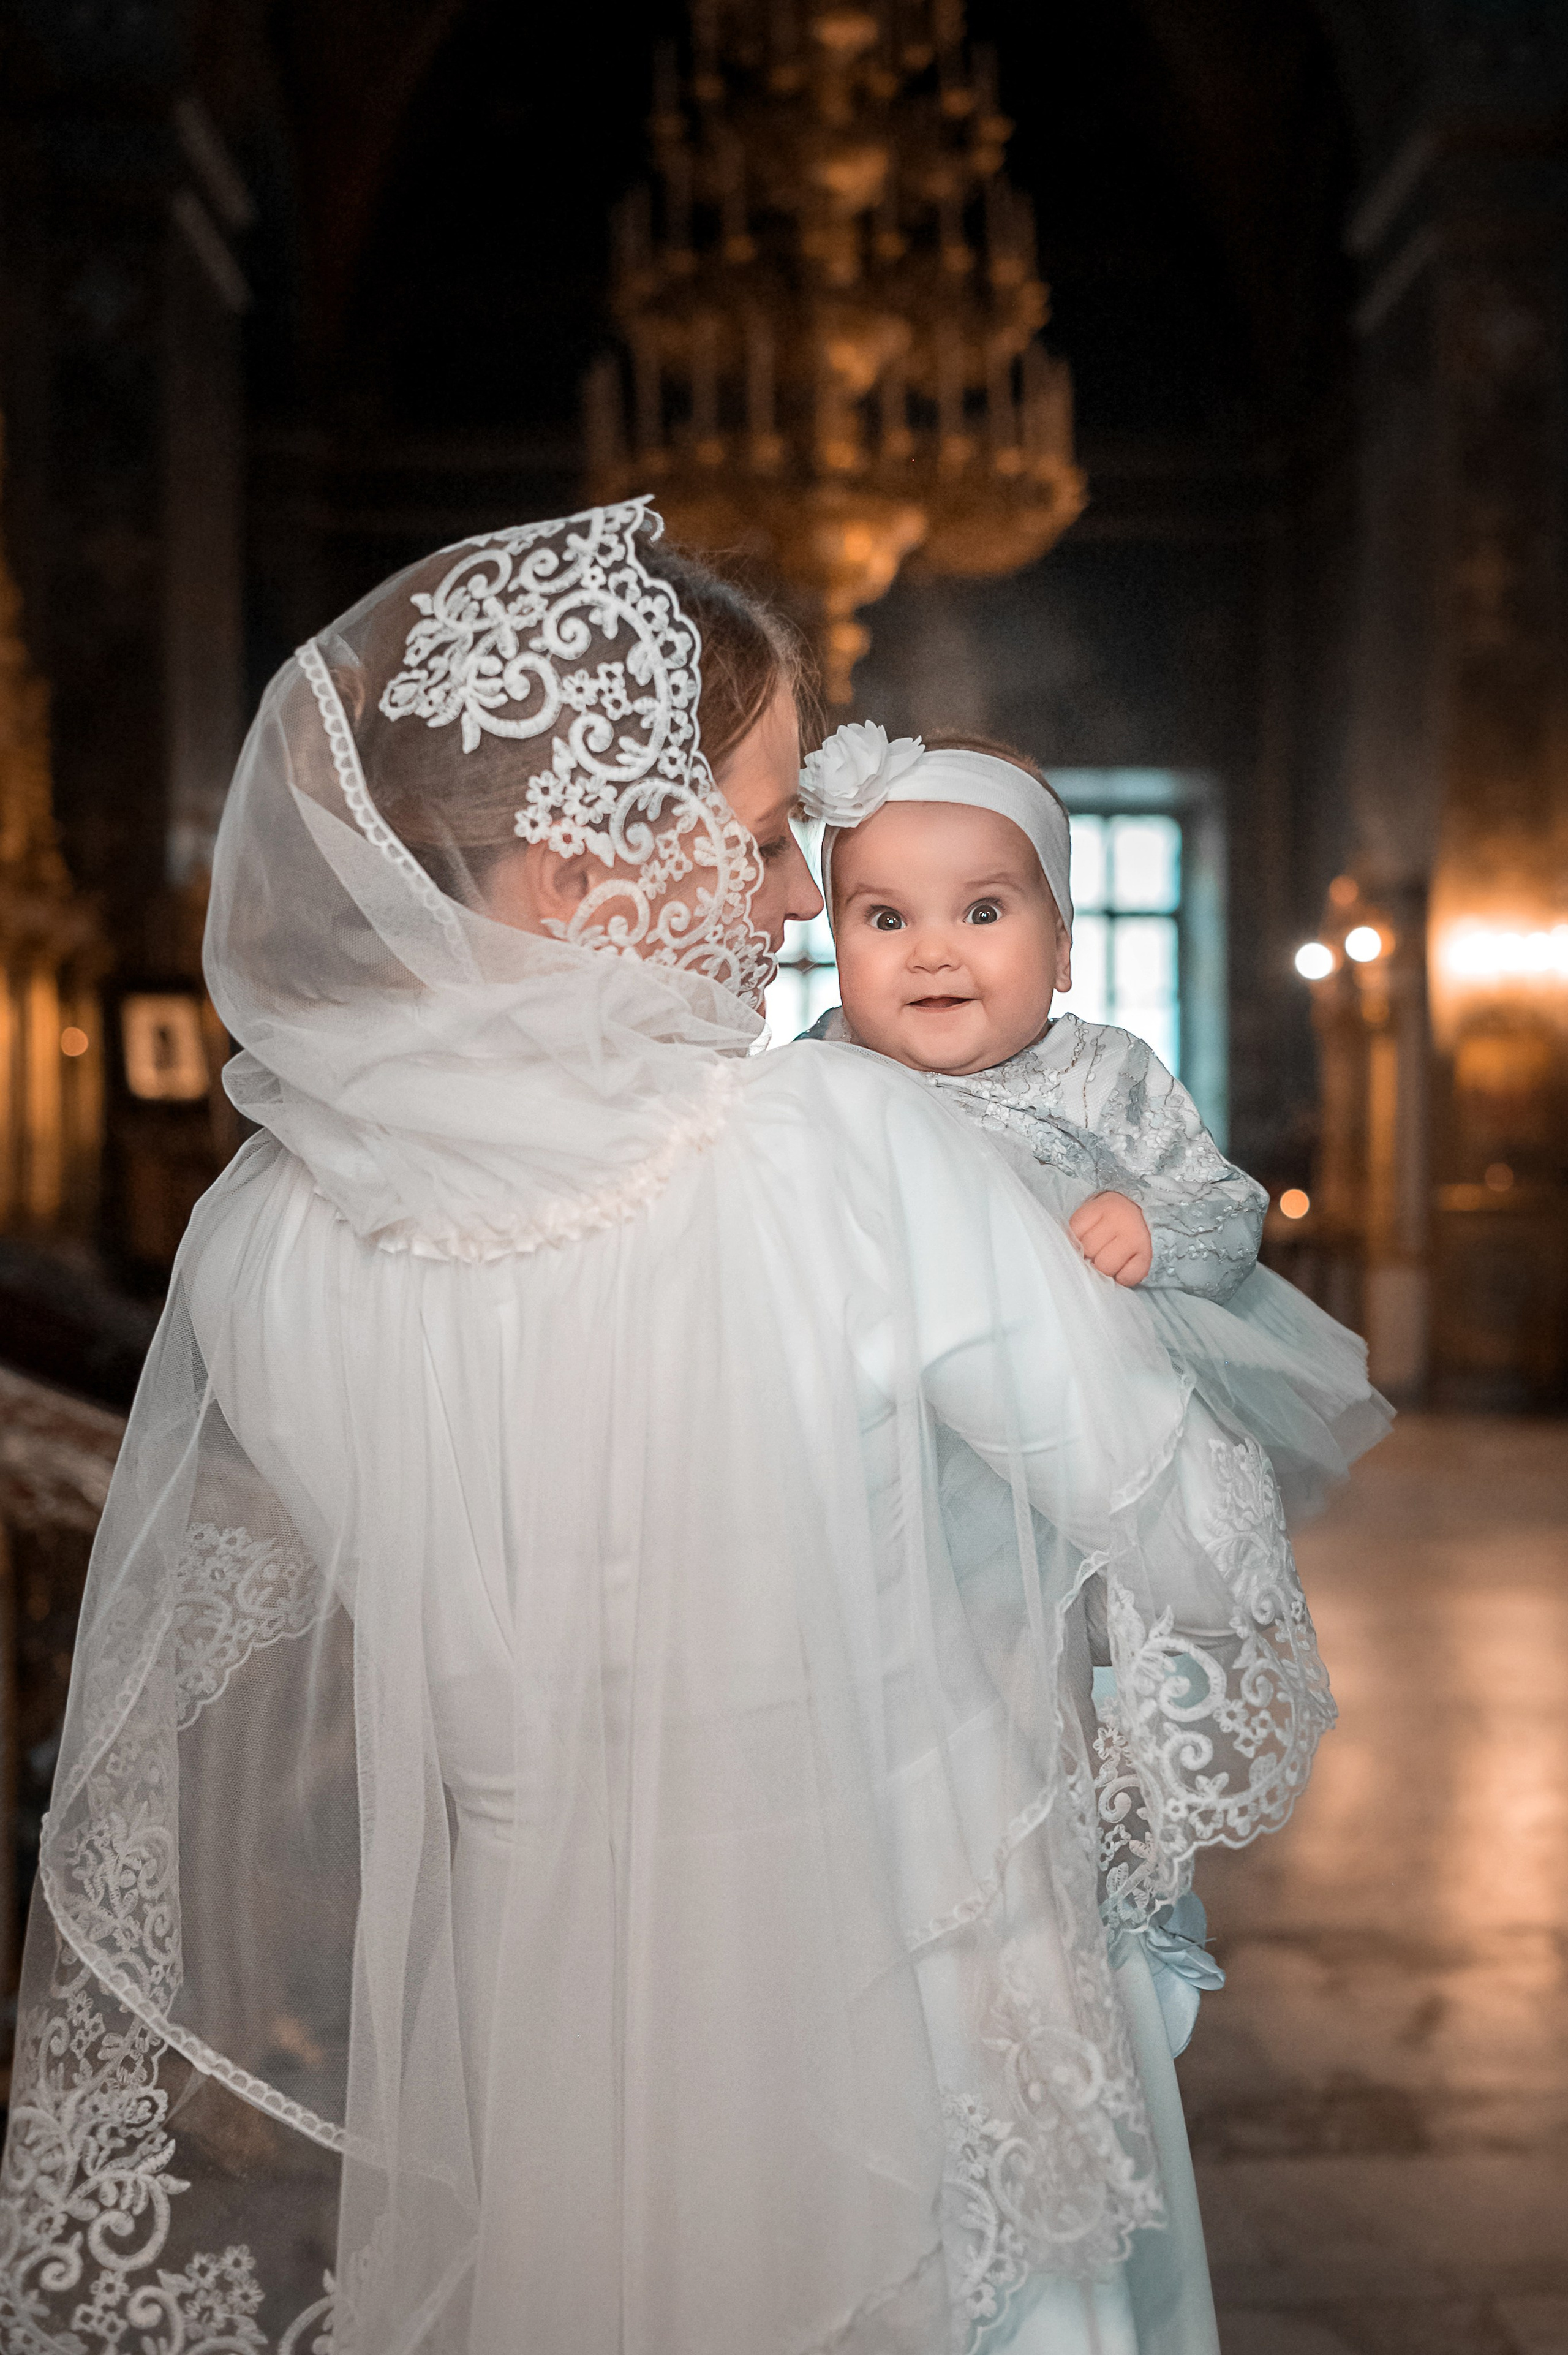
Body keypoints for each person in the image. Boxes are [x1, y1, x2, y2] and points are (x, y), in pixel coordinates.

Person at [1, 504, 1328, 2355]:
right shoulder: (846, 1151)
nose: (803, 897)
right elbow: (1176, 1526)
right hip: (909, 2022)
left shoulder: (265, 1234)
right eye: (773, 831)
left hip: (539, 2043)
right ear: (571, 879)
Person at [797, 722, 1393, 1525]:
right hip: (870, 1433)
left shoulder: (1100, 1075)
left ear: (1064, 949)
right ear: (836, 944)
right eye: (887, 920)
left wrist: (1154, 1227)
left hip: (1068, 1430)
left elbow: (1226, 1205)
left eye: (981, 911)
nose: (932, 953)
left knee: (1058, 1614)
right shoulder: (822, 1065)